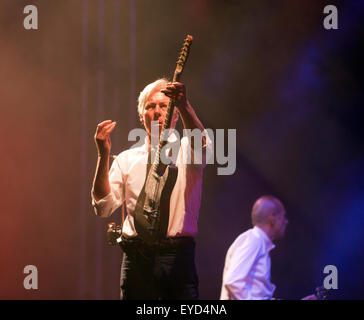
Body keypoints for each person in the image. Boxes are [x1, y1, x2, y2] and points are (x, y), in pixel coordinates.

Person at [91, 78, 211, 300]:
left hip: (176, 257)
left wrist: (185, 105)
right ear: (141, 115)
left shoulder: (187, 151)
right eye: (150, 106)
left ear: (175, 114)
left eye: (164, 106)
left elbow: (204, 147)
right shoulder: (127, 159)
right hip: (137, 258)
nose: (157, 112)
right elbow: (104, 207)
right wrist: (103, 155)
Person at [220, 195, 317, 300]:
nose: (286, 221)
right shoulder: (253, 240)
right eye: (283, 216)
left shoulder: (259, 243)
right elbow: (233, 281)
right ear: (273, 217)